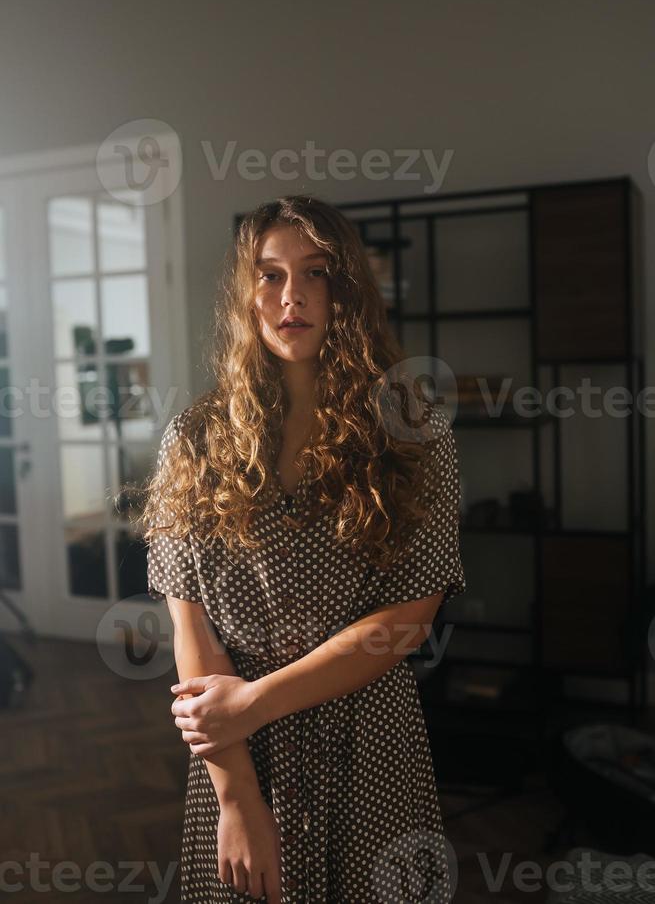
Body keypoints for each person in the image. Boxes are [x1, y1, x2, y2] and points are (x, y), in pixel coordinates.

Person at [140, 194, 466, 903]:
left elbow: (406, 621)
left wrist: (252, 703)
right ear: (244, 292)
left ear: (346, 288)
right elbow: (188, 628)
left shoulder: (413, 434)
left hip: (364, 740)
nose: (292, 297)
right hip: (232, 752)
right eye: (269, 274)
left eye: (316, 273)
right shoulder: (193, 439)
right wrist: (236, 800)